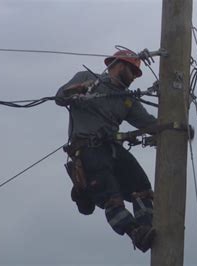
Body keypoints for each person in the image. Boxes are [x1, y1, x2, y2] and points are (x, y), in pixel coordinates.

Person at [55, 49, 156, 252]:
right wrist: (77, 90)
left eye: (137, 74)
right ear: (118, 65)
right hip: (87, 148)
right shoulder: (88, 79)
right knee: (111, 195)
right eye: (132, 71)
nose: (135, 77)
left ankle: (148, 227)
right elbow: (60, 97)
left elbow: (147, 123)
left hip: (112, 147)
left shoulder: (126, 98)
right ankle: (135, 233)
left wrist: (175, 127)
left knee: (141, 186)